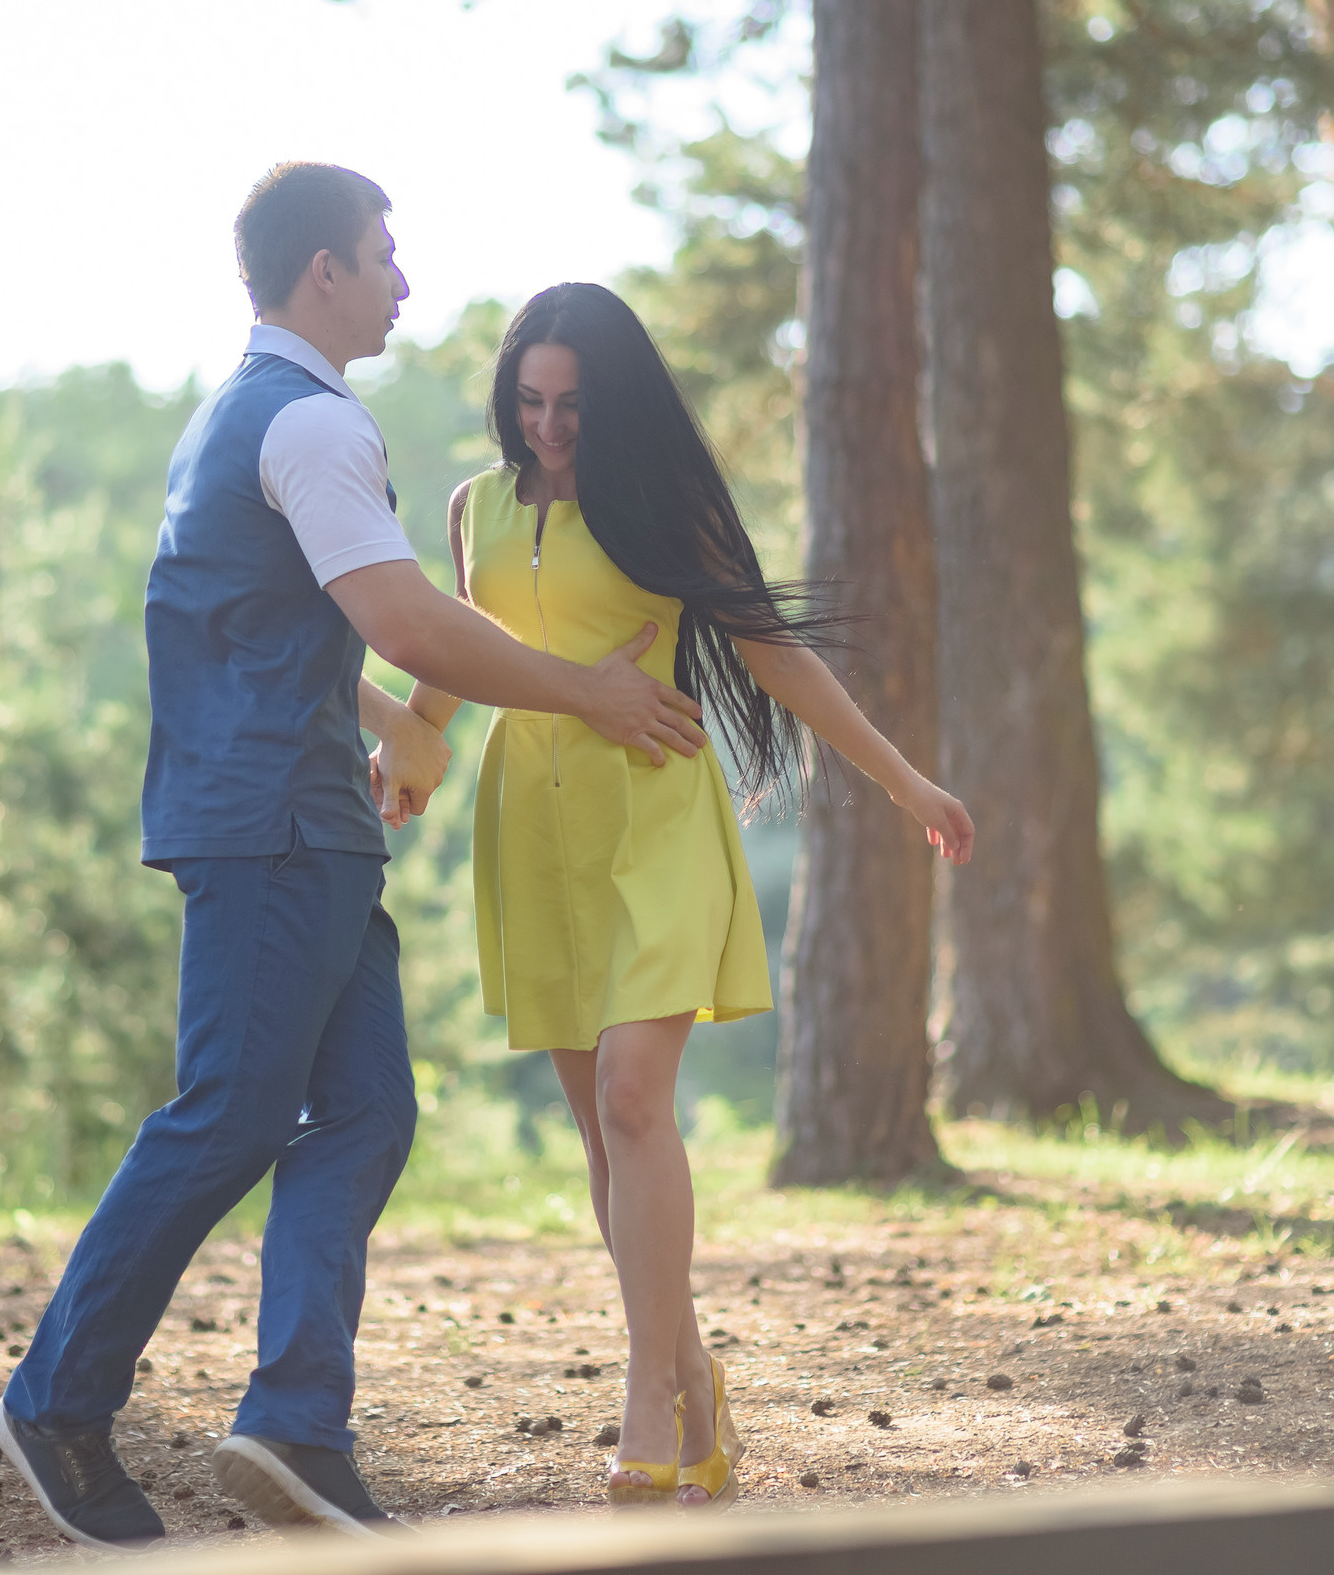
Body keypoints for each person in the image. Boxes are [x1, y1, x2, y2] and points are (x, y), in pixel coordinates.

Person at [0, 170, 710, 1550]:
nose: (403, 282)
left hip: (304, 818)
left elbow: (285, 629)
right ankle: (60, 1397)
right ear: (323, 271)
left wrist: (395, 733)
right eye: (385, 256)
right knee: (230, 1112)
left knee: (368, 1111)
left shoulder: (230, 418)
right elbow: (406, 620)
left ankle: (297, 1421)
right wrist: (591, 691)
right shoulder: (317, 425)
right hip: (271, 823)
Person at [402, 283, 974, 1509]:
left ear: (614, 402)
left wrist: (906, 781)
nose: (548, 428)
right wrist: (410, 739)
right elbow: (463, 641)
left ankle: (647, 1389)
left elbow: (773, 649)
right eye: (530, 401)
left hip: (653, 813)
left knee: (632, 1095)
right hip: (532, 827)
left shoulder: (663, 504)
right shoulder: (476, 506)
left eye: (572, 404)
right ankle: (696, 1377)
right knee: (602, 1132)